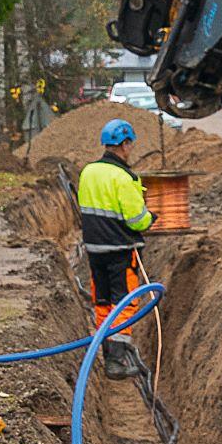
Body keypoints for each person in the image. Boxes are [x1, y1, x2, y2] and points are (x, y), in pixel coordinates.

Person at [76, 118, 154, 325]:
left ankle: (107, 347)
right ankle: (118, 354)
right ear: (125, 144)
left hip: (94, 249)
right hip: (120, 250)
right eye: (130, 144)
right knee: (124, 303)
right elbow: (137, 221)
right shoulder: (124, 177)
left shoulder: (88, 172)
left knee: (102, 301)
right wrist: (151, 218)